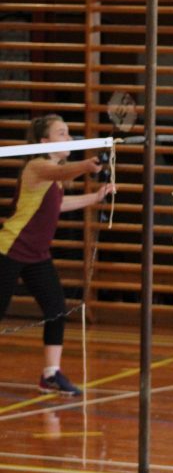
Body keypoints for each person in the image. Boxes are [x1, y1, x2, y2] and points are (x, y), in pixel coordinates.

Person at [0, 114, 114, 396]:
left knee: (56, 310)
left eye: (68, 132)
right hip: (9, 249)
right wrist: (87, 166)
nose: (69, 138)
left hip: (36, 254)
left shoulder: (56, 173)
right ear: (44, 141)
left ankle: (51, 374)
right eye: (61, 133)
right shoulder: (37, 166)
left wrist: (96, 197)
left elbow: (58, 205)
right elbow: (63, 172)